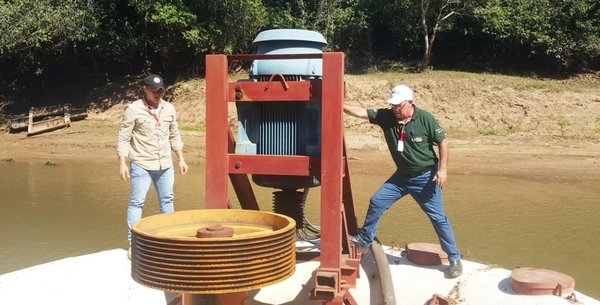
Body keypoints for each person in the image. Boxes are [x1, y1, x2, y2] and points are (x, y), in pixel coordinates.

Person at [343, 84, 462, 278]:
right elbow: (361, 112)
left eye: (399, 106)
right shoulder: (387, 116)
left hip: (426, 178)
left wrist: (443, 170)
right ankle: (365, 240)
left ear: (410, 103)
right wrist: (338, 104)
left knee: (438, 219)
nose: (395, 109)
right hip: (401, 177)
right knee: (377, 201)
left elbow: (443, 142)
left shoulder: (425, 119)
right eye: (393, 105)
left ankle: (454, 258)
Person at [117, 74, 189, 251]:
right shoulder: (133, 110)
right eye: (155, 91)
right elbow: (124, 137)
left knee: (167, 200)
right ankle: (133, 245)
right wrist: (122, 163)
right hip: (141, 164)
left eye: (161, 90)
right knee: (137, 203)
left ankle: (169, 241)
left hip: (165, 165)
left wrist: (181, 158)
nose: (159, 94)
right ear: (145, 90)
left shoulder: (169, 109)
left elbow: (174, 134)